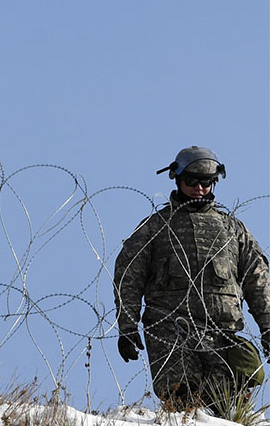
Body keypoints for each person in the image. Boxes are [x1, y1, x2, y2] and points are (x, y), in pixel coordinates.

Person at [114, 146, 270, 413]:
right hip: (169, 328)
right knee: (182, 400)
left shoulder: (233, 230)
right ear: (177, 179)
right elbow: (129, 277)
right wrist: (127, 327)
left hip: (220, 333)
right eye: (192, 181)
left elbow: (258, 280)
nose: (199, 188)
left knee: (224, 407)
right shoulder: (156, 228)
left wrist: (268, 327)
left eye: (206, 182)